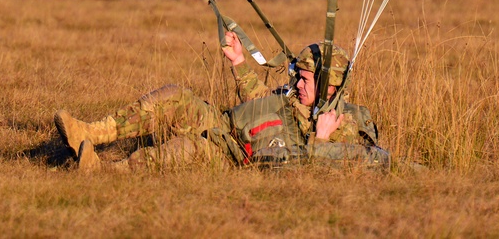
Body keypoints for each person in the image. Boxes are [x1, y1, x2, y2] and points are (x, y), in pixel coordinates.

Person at [54, 31, 389, 171]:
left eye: (303, 79)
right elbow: (261, 100)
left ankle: (105, 172)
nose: (297, 84)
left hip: (234, 149)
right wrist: (240, 62)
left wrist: (321, 138)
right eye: (296, 77)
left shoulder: (348, 124)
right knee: (173, 97)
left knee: (183, 151)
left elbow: (362, 161)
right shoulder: (293, 97)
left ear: (329, 87)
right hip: (223, 119)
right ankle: (90, 133)